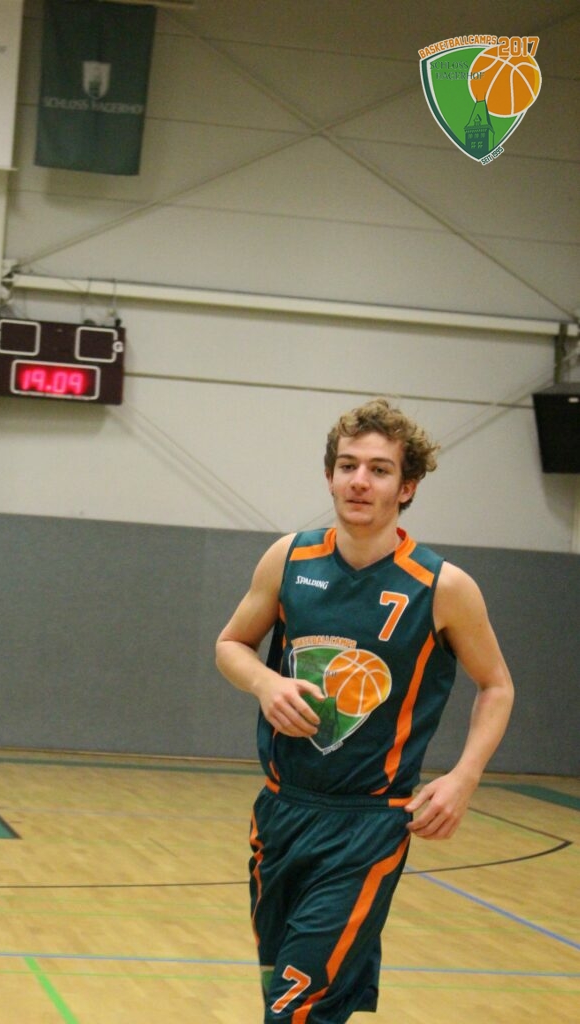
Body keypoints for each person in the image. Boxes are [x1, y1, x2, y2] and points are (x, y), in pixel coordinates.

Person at [215, 398, 514, 1023]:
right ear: (329, 476)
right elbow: (231, 645)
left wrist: (464, 777)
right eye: (348, 465)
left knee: (296, 1008)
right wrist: (266, 683)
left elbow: (496, 686)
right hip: (280, 812)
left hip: (369, 824)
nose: (359, 480)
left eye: (379, 470)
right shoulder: (289, 559)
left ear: (406, 487)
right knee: (284, 988)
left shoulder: (442, 586)